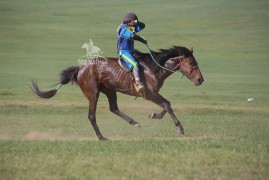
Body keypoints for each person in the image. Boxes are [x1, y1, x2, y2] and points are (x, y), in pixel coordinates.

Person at [116, 12, 147, 93]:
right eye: (134, 21)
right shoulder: (123, 29)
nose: (135, 23)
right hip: (124, 52)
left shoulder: (130, 27)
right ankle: (138, 84)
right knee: (134, 64)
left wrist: (136, 22)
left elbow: (142, 26)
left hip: (131, 51)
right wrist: (142, 40)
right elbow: (132, 36)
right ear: (129, 21)